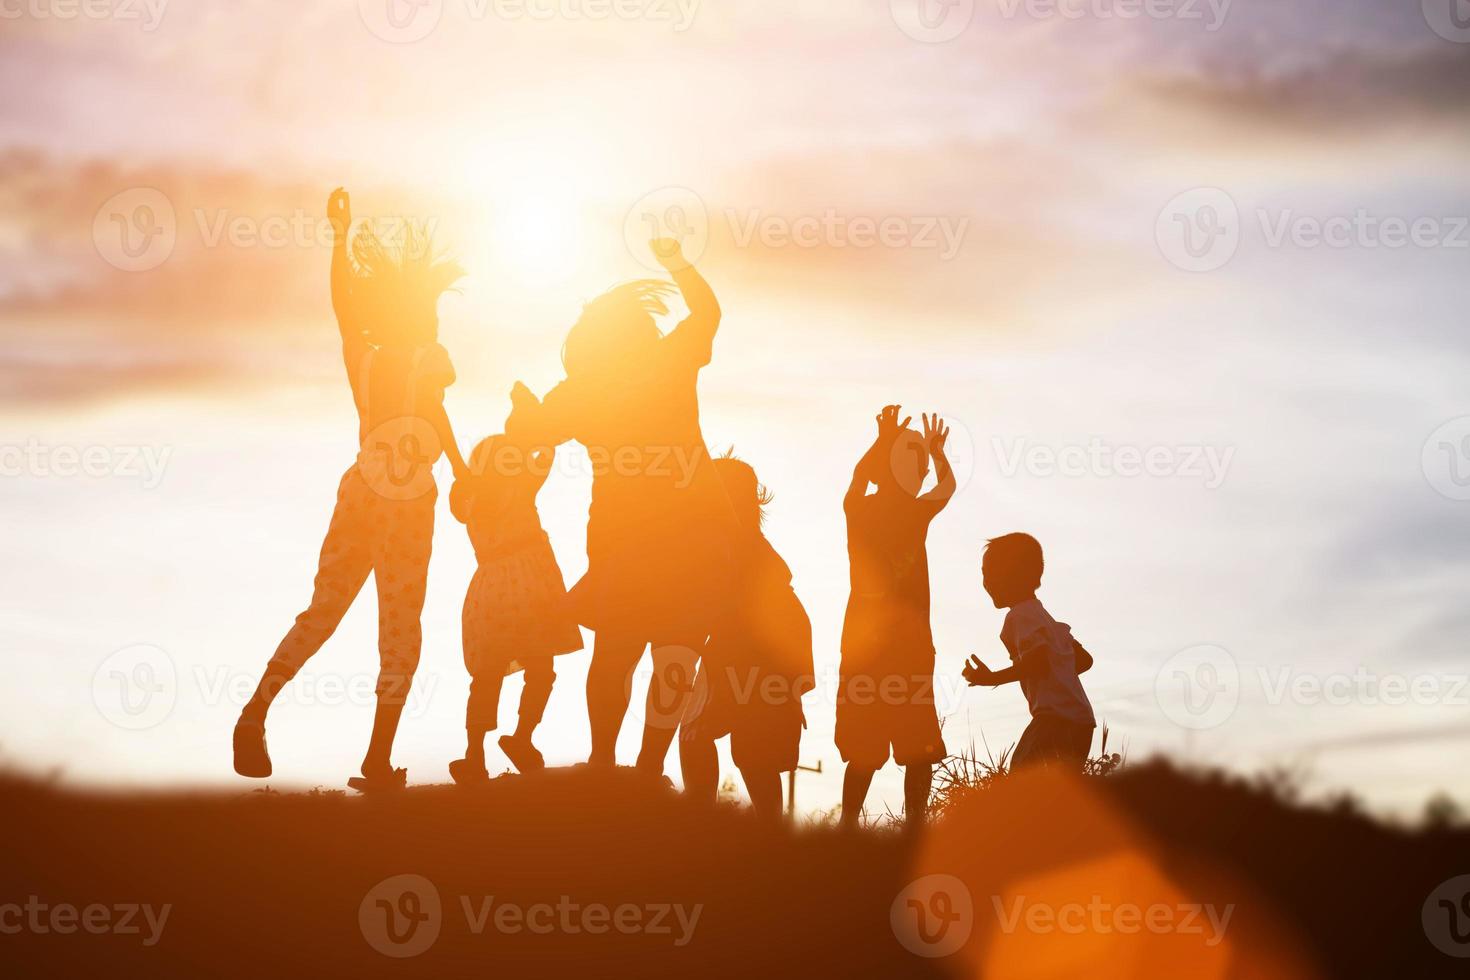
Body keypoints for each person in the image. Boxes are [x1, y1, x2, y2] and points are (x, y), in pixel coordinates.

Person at [233, 188, 468, 792]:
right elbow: (436, 416)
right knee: (400, 630)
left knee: (323, 613)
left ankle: (256, 711)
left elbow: (343, 306)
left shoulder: (362, 356)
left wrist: (339, 238)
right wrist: (463, 472)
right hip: (409, 507)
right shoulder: (427, 356)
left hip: (361, 494)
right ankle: (376, 759)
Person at [505, 239, 736, 778]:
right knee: (673, 652)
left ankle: (606, 762)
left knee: (616, 649)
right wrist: (678, 263)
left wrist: (522, 410)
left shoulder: (584, 389)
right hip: (696, 538)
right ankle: (647, 767)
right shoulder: (668, 360)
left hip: (626, 543)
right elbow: (709, 313)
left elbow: (530, 434)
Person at [836, 406, 956, 830]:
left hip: (868, 650)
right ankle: (913, 828)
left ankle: (850, 828)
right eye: (917, 465)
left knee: (868, 748)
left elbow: (858, 474)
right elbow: (948, 486)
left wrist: (882, 440)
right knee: (915, 747)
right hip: (903, 651)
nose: (921, 472)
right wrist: (937, 453)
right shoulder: (913, 512)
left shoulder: (858, 508)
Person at [679, 455, 814, 820]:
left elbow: (712, 600)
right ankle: (766, 831)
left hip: (744, 650)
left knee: (698, 730)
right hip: (771, 653)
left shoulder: (727, 541)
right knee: (753, 753)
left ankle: (700, 818)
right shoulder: (750, 542)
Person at [448, 431, 584, 784]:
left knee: (486, 675)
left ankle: (473, 754)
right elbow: (547, 451)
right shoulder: (520, 486)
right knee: (541, 666)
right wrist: (529, 429)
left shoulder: (467, 498)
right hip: (528, 586)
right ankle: (523, 736)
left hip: (488, 589)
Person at [962, 533, 1097, 770]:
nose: (985, 582)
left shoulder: (1019, 617)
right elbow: (1084, 661)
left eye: (989, 574)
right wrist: (1060, 670)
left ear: (1013, 577)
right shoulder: (1046, 619)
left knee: (1021, 780)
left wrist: (991, 678)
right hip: (1081, 721)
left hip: (1054, 720)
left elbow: (1038, 663)